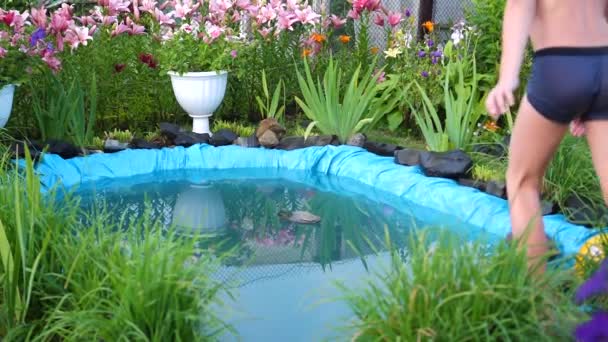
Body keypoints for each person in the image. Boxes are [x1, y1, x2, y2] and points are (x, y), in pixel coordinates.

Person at [485, 0, 608, 272]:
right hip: (604, 61)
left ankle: (538, 302)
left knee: (522, 181)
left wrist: (507, 79)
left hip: (559, 63)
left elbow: (519, 5)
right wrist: (588, 100)